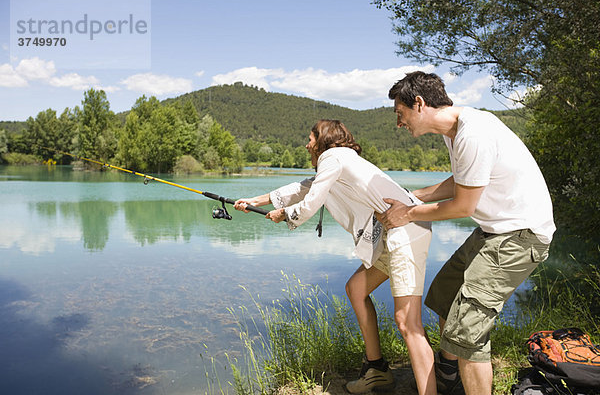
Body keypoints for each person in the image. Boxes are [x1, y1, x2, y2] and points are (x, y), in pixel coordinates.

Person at [376, 71, 556, 395]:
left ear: (418, 104)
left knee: (466, 332)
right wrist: (416, 196)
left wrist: (408, 213)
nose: (398, 124)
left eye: (400, 114)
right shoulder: (456, 132)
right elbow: (463, 179)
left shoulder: (473, 133)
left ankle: (465, 374)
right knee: (444, 296)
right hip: (496, 230)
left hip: (520, 236)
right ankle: (450, 377)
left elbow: (463, 206)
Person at [234, 119, 437, 394]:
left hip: (405, 232)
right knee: (356, 289)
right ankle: (376, 370)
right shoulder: (340, 159)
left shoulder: (331, 156)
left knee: (407, 323)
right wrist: (255, 202)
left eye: (310, 139)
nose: (307, 145)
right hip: (395, 233)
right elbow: (305, 187)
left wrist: (285, 214)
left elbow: (311, 200)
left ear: (324, 140)